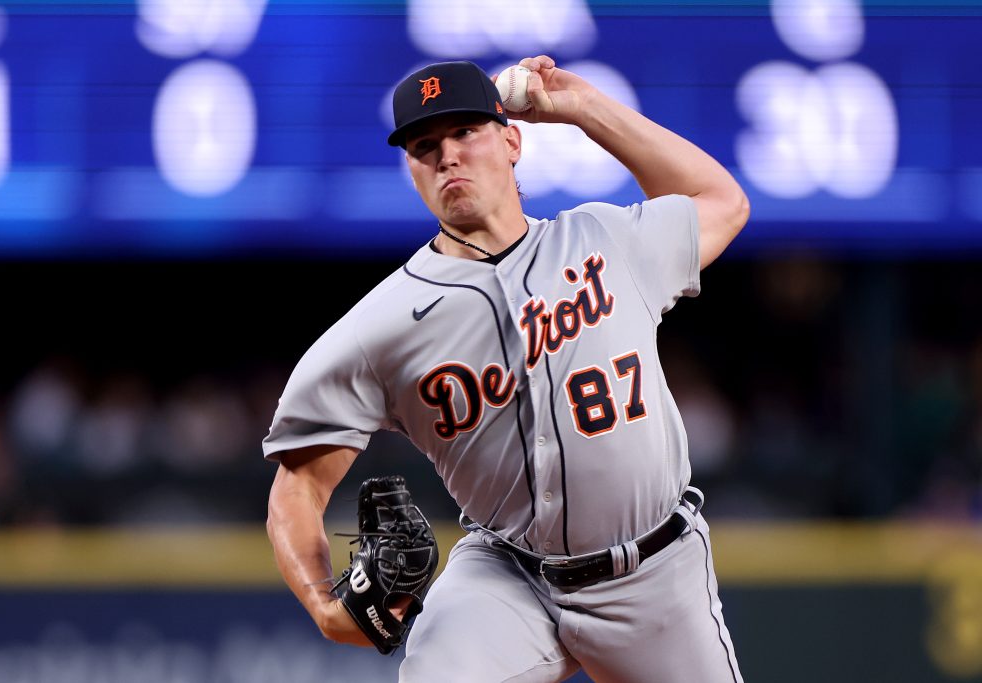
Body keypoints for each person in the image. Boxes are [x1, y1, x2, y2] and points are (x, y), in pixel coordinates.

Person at [265, 56, 750, 682]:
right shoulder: (380, 327)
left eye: (466, 131)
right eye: (424, 146)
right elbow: (296, 486)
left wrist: (580, 109)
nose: (448, 155)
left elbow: (722, 202)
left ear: (512, 139)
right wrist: (325, 605)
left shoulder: (605, 242)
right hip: (507, 575)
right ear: (412, 169)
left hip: (653, 572)